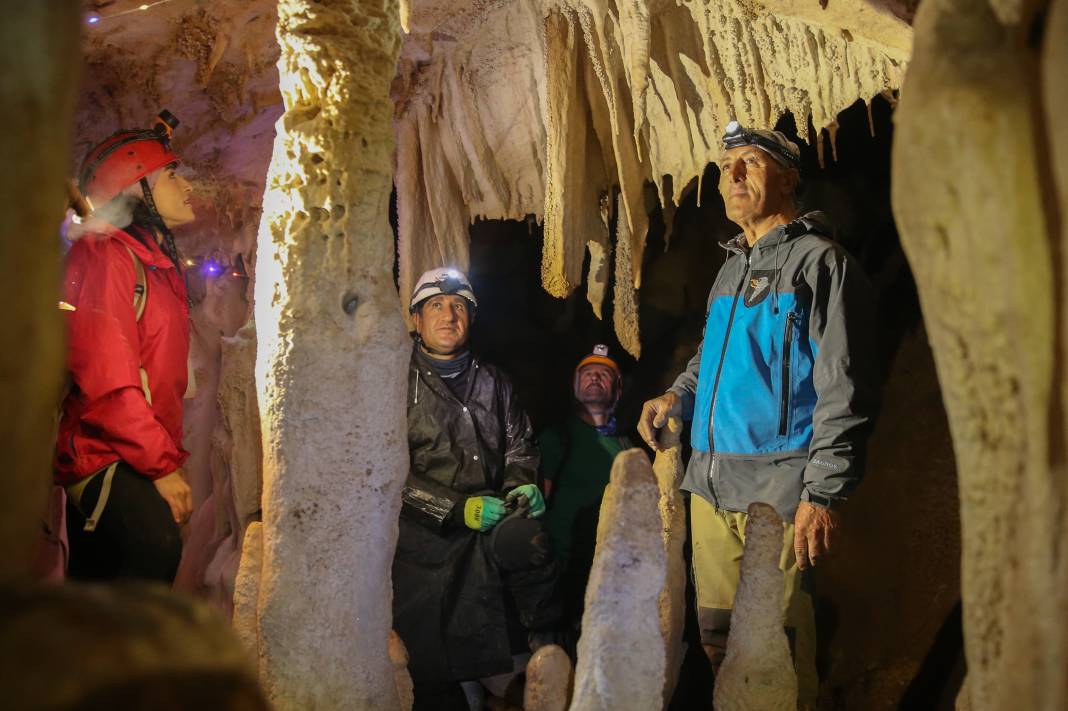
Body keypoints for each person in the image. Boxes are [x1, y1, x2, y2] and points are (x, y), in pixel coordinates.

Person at [638, 121, 880, 708]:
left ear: (789, 178)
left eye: (750, 161)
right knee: (721, 642)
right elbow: (711, 359)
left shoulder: (821, 265)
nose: (734, 175)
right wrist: (677, 396)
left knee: (775, 647)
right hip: (710, 487)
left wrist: (822, 493)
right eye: (727, 166)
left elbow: (843, 387)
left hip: (778, 491)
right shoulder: (730, 269)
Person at [392, 267, 561, 708]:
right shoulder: (394, 385)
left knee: (531, 543)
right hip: (423, 542)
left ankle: (544, 653)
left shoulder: (494, 381)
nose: (449, 316)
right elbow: (383, 473)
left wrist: (522, 484)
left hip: (489, 529)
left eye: (459, 307)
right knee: (438, 676)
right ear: (415, 319)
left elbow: (520, 445)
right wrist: (452, 508)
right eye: (436, 306)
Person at [55, 111, 195, 582]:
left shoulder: (154, 266)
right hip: (105, 452)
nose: (187, 185)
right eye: (173, 174)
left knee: (102, 593)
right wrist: (160, 468)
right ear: (139, 188)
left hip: (135, 450)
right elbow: (108, 377)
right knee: (153, 551)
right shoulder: (106, 257)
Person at [540, 344, 634, 650]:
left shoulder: (628, 448)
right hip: (563, 571)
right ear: (574, 385)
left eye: (604, 374)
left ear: (618, 390)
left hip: (612, 574)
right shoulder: (556, 437)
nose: (594, 377)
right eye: (587, 373)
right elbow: (540, 500)